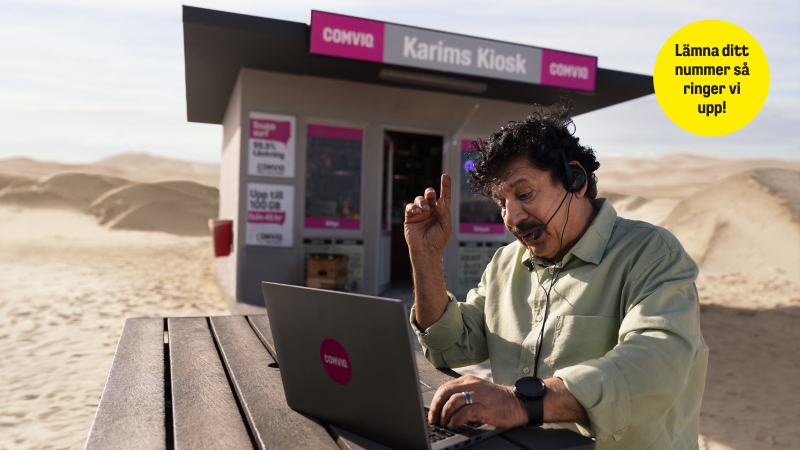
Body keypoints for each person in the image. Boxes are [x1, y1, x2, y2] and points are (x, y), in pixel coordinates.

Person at [404, 101, 708, 449]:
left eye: (524, 194)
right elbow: (450, 346)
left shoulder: (652, 253)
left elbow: (656, 363)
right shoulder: (506, 263)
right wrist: (424, 256)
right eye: (501, 203)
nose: (511, 217)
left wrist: (521, 403)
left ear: (574, 179)